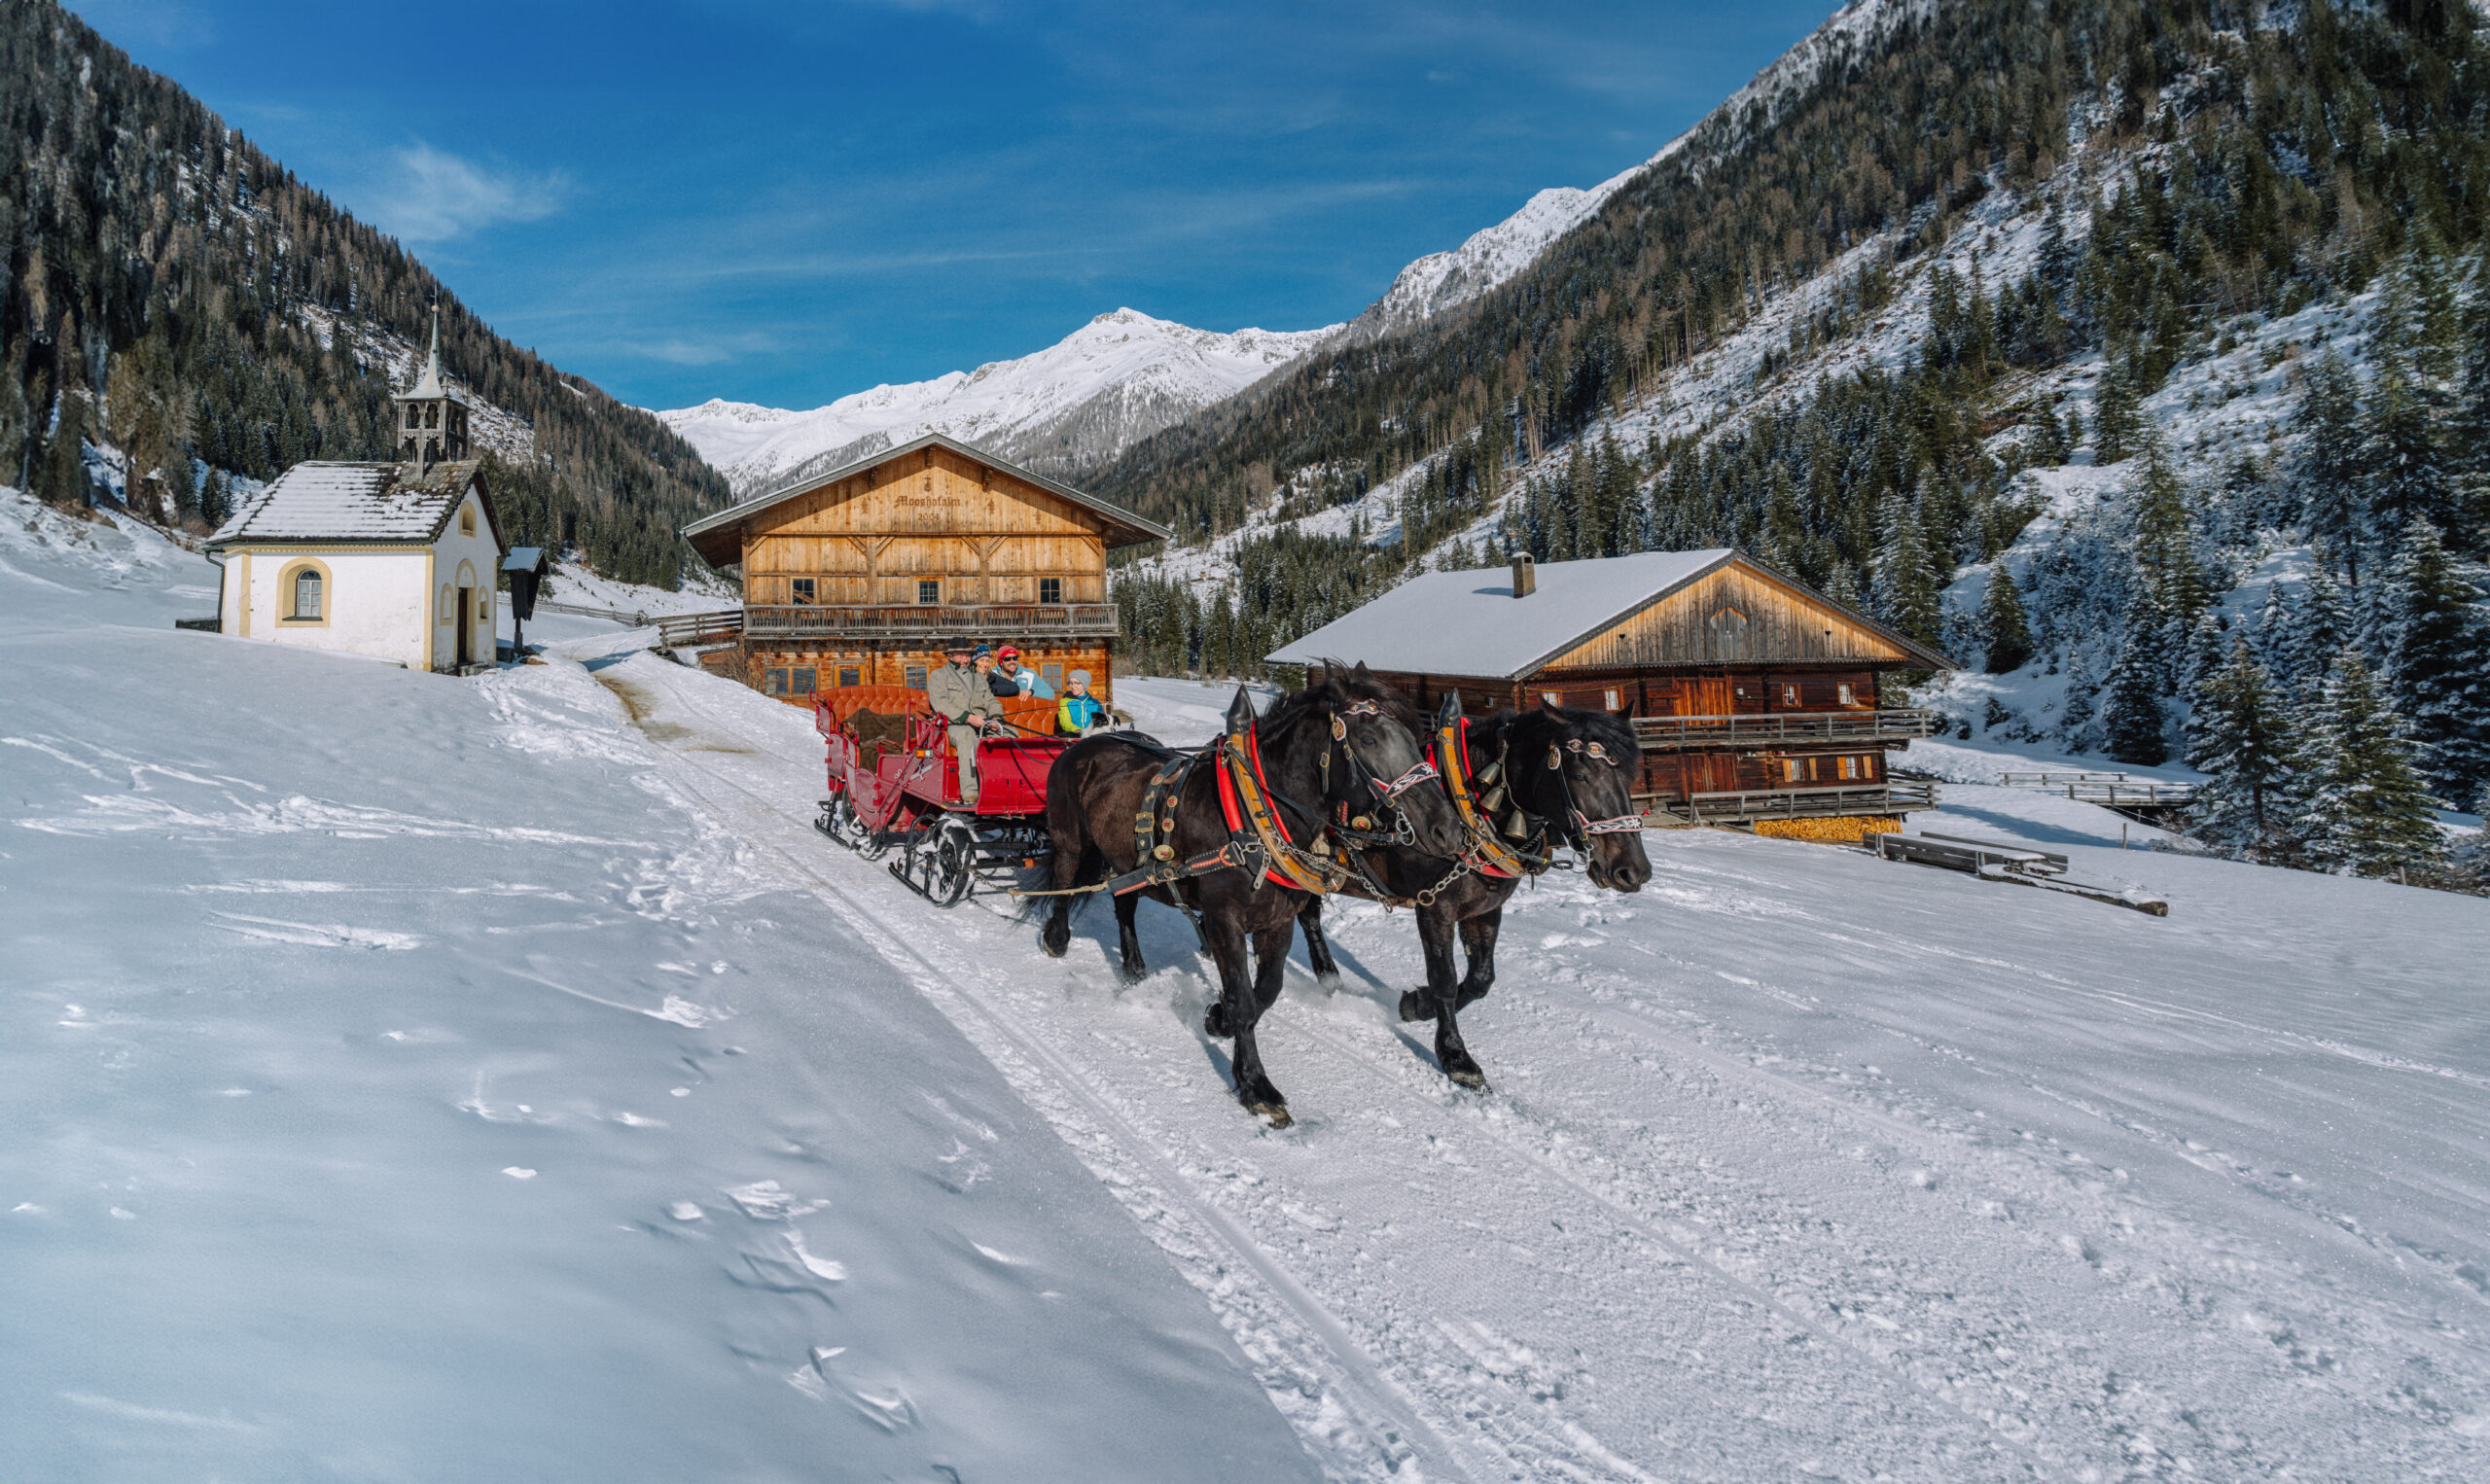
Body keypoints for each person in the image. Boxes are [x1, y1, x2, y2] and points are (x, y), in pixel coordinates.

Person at [925, 639, 996, 803]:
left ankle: (1001, 788)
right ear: (950, 656)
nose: (964, 660)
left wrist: (996, 717)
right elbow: (940, 703)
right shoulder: (938, 676)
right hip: (953, 726)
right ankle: (970, 793)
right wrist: (969, 718)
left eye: (967, 656)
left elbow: (990, 700)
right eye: (960, 656)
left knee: (1007, 735)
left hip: (980, 723)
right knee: (966, 735)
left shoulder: (978, 677)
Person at [1057, 669, 1109, 734]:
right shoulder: (1065, 702)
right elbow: (1065, 721)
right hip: (1073, 735)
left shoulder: (1096, 703)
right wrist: (1076, 730)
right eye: (1070, 683)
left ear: (1084, 684)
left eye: (1076, 683)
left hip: (1092, 736)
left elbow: (1100, 721)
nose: (1072, 686)